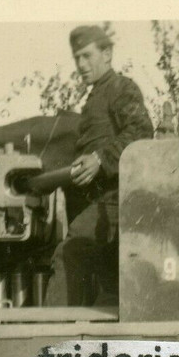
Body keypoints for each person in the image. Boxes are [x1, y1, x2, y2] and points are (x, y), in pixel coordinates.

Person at [46, 24, 154, 307]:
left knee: (70, 253)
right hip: (101, 202)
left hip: (115, 200)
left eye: (86, 55)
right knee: (111, 286)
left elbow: (141, 131)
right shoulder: (95, 98)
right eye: (76, 58)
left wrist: (99, 160)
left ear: (107, 54)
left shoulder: (120, 88)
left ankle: (45, 338)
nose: (81, 64)